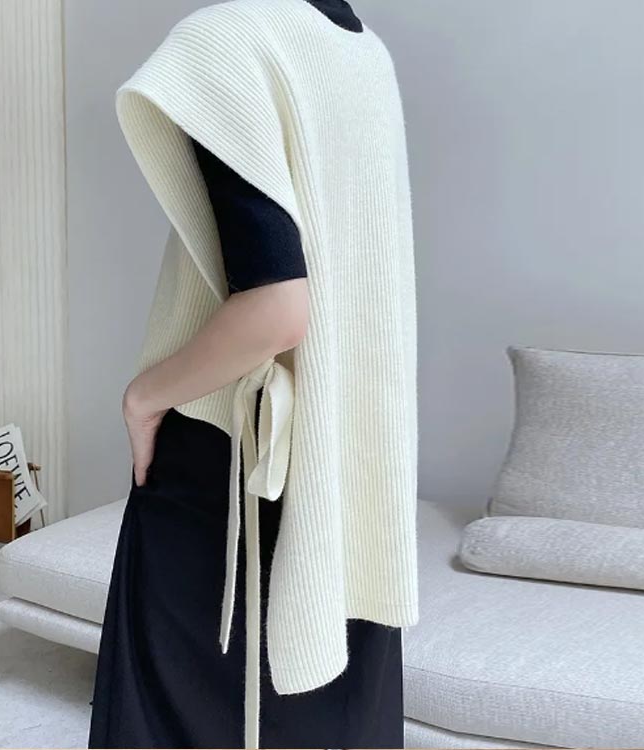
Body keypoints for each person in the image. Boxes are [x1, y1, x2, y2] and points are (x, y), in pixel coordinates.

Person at [88, 0, 419, 747]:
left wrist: (143, 398)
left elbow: (277, 310)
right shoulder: (360, 48)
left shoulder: (228, 41)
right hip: (348, 449)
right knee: (333, 712)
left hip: (239, 446)